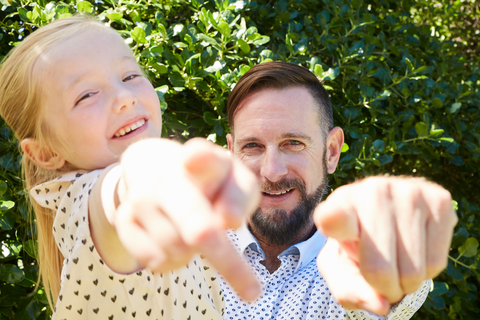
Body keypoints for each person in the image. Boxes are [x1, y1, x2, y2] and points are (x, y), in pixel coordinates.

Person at [0, 16, 262, 319]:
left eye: (129, 76)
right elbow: (115, 194)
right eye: (86, 95)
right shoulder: (80, 204)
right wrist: (142, 175)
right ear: (45, 152)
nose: (124, 97)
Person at [222, 62, 458, 319]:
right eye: (253, 146)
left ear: (332, 151)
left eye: (293, 143)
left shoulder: (348, 262)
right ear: (231, 153)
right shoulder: (189, 255)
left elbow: (381, 293)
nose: (272, 171)